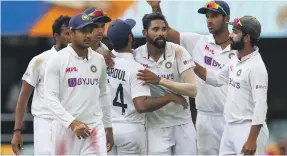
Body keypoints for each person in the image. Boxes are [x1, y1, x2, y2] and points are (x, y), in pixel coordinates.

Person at [146, 0, 236, 154]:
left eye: (214, 16)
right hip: (206, 118)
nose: (209, 20)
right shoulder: (198, 41)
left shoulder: (239, 46)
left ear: (227, 19)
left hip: (234, 118)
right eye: (207, 16)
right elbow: (168, 32)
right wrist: (156, 7)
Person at [106, 18, 188, 155]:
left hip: (108, 128)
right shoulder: (136, 68)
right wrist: (170, 97)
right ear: (130, 37)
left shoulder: (104, 61)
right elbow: (141, 105)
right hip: (130, 129)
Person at [193, 15, 269, 155]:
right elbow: (216, 79)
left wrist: (252, 139)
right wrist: (190, 63)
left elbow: (261, 106)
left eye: (235, 32)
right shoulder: (235, 58)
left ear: (246, 38)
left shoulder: (257, 68)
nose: (230, 34)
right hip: (229, 127)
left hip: (247, 129)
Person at [44, 13, 113, 155]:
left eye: (90, 31)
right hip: (66, 130)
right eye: (83, 31)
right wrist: (72, 122)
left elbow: (104, 93)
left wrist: (108, 126)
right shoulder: (57, 60)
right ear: (71, 33)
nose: (88, 35)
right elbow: (50, 97)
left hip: (94, 127)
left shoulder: (99, 59)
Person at [134, 12, 197, 155]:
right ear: (145, 33)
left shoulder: (178, 51)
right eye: (155, 29)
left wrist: (160, 81)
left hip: (183, 124)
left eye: (163, 29)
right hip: (155, 126)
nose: (161, 33)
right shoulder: (136, 56)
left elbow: (193, 90)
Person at [11, 15, 71, 155]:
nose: (71, 37)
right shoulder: (40, 61)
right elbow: (23, 97)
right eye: (67, 33)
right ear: (56, 36)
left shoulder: (81, 60)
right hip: (45, 122)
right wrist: (17, 130)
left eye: (73, 33)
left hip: (70, 123)